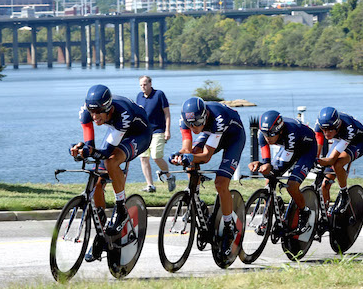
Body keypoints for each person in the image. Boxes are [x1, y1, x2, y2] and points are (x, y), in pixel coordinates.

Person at [70, 84, 151, 262]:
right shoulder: (87, 112)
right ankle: (102, 232)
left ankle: (121, 207)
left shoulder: (122, 113)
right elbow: (90, 144)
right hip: (116, 130)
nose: (94, 117)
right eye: (92, 112)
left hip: (139, 134)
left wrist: (90, 151)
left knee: (111, 161)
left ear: (109, 108)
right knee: (97, 183)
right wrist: (81, 148)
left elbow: (106, 152)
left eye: (99, 112)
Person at [169, 97, 246, 255]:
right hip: (212, 133)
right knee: (190, 158)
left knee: (221, 183)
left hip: (233, 138)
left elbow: (205, 156)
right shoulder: (187, 120)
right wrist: (178, 155)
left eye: (197, 124)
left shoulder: (218, 118)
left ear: (205, 116)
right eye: (190, 125)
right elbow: (186, 149)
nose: (194, 128)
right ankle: (195, 197)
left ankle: (229, 226)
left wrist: (190, 157)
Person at [248, 110, 317, 235]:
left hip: (307, 149)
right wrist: (264, 165)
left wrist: (269, 168)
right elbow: (266, 157)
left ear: (280, 130)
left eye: (271, 135)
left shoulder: (290, 132)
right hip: (288, 148)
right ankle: (269, 214)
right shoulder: (262, 133)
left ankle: (305, 212)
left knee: (292, 185)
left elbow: (285, 160)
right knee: (269, 179)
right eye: (265, 135)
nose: (268, 138)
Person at [314, 107, 363, 214]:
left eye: (330, 129)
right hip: (339, 139)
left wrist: (317, 161)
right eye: (324, 130)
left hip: (357, 142)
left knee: (337, 164)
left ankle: (344, 194)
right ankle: (325, 214)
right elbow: (316, 151)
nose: (327, 133)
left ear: (337, 126)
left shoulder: (349, 128)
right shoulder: (320, 125)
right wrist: (314, 159)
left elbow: (331, 159)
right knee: (324, 185)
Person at [135, 75, 175, 193]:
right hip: (143, 132)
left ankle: (169, 177)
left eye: (145, 84)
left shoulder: (159, 95)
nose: (143, 87)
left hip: (158, 131)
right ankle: (150, 186)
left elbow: (167, 113)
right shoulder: (139, 96)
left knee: (156, 156)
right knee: (143, 158)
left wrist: (167, 130)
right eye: (141, 85)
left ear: (150, 83)